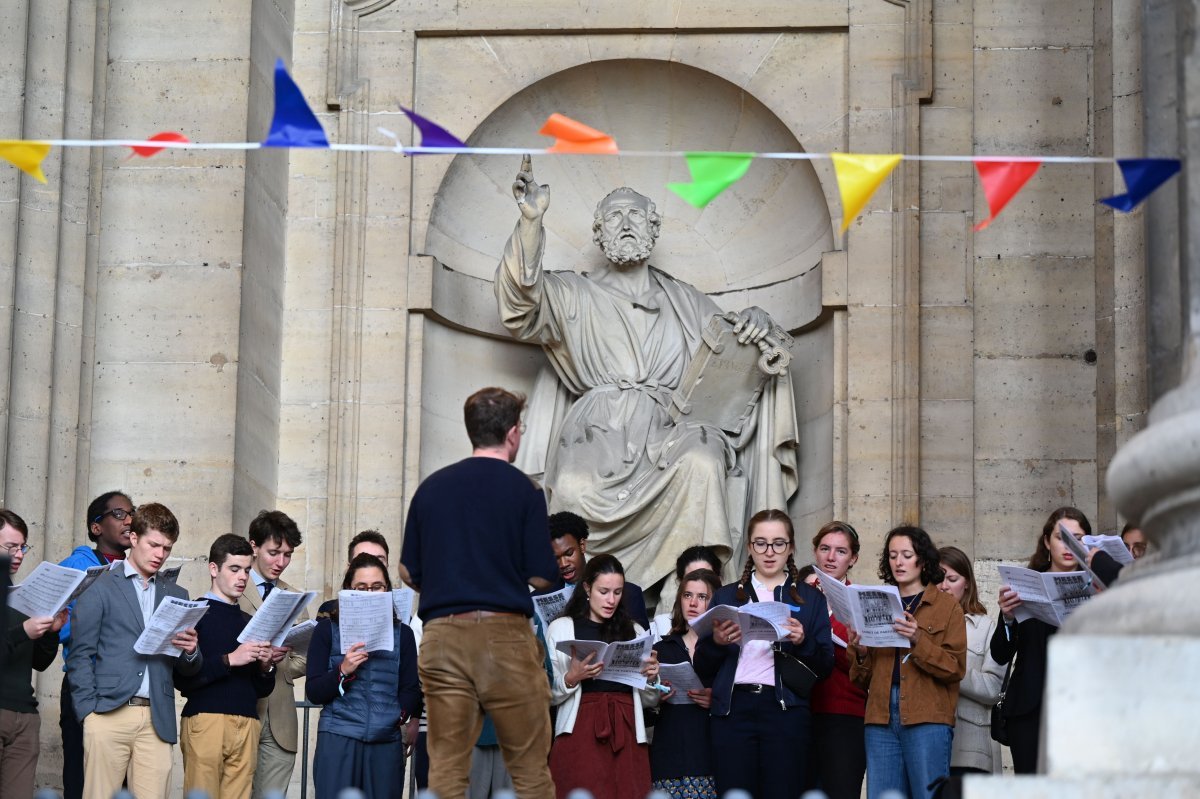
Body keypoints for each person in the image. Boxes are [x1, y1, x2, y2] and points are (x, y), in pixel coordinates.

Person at [497, 156, 800, 597]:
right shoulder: (572, 292)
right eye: (614, 215)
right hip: (599, 426)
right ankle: (585, 600)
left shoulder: (686, 301)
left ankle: (689, 592)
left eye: (635, 214)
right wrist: (530, 224)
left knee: (703, 461)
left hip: (669, 426)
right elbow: (519, 305)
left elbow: (735, 347)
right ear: (599, 233)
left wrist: (756, 320)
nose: (625, 223)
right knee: (574, 487)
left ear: (653, 228)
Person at [399, 386, 560, 799]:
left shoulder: (431, 488)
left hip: (442, 635)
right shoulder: (525, 490)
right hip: (504, 635)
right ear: (512, 433)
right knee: (529, 769)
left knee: (448, 770)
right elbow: (544, 576)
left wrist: (448, 583)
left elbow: (405, 570)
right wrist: (502, 576)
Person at [693, 509, 834, 799]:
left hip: (785, 711)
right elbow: (702, 666)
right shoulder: (726, 596)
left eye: (778, 543)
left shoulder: (810, 599)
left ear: (791, 547)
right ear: (749, 547)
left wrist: (803, 640)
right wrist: (718, 641)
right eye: (761, 543)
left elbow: (826, 666)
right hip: (733, 711)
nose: (769, 552)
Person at [67, 502, 202, 799]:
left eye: (167, 548)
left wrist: (191, 650)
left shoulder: (178, 594)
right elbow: (80, 654)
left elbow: (188, 668)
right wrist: (88, 713)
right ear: (133, 538)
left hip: (157, 717)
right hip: (106, 714)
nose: (160, 555)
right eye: (154, 545)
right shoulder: (99, 586)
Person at [847, 525, 966, 799]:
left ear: (922, 560)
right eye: (892, 555)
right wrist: (862, 651)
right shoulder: (877, 601)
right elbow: (861, 679)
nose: (898, 562)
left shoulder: (946, 606)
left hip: (928, 715)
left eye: (906, 554)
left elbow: (954, 668)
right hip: (880, 716)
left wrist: (918, 640)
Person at [546, 554, 661, 799]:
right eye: (604, 591)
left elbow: (649, 701)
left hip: (627, 729)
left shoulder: (636, 630)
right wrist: (571, 678)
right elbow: (546, 695)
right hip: (579, 730)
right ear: (587, 587)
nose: (611, 600)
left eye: (618, 592)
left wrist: (651, 679)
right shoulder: (562, 627)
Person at [307, 554, 421, 798]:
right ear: (349, 590)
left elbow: (411, 689)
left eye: (377, 587)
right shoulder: (327, 630)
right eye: (362, 588)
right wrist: (342, 671)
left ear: (387, 590)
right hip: (339, 737)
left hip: (385, 742)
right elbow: (314, 691)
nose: (370, 594)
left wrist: (397, 716)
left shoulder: (405, 634)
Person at [990, 506, 1090, 774]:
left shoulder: (1097, 587)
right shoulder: (1024, 584)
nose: (1069, 545)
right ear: (1047, 541)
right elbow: (1000, 654)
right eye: (1061, 537)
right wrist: (1008, 617)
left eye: (1078, 538)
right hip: (1029, 710)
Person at [176, 534, 276, 798]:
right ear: (213, 569)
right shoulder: (194, 612)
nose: (242, 577)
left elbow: (260, 688)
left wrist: (266, 667)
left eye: (246, 570)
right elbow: (182, 680)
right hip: (206, 718)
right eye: (234, 569)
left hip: (248, 721)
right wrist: (230, 659)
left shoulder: (250, 620)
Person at [58, 490, 134, 799]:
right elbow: (59, 623)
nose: (129, 520)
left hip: (126, 686)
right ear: (96, 527)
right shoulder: (77, 564)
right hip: (85, 683)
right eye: (119, 514)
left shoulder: (136, 570)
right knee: (83, 779)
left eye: (132, 513)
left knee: (124, 786)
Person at [239, 510, 307, 799]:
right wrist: (256, 659)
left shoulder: (295, 595)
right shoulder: (234, 586)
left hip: (280, 717)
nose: (281, 562)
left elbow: (304, 657)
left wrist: (278, 663)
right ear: (253, 546)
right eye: (274, 552)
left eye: (287, 555)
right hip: (240, 708)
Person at [0, 509, 67, 799]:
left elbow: (39, 662)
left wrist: (52, 631)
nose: (18, 554)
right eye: (10, 546)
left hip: (25, 716)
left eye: (22, 547)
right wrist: (21, 632)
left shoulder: (20, 596)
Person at [806, 521, 868, 799]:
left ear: (853, 558)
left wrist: (823, 622)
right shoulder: (797, 594)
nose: (831, 558)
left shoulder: (862, 601)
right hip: (799, 711)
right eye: (825, 549)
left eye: (840, 551)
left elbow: (863, 664)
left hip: (845, 715)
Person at [650, 568, 720, 799]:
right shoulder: (661, 649)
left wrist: (716, 699)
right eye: (687, 595)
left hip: (711, 751)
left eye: (702, 597)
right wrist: (655, 694)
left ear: (714, 602)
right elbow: (645, 704)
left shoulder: (725, 648)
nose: (693, 603)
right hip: (670, 749)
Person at [937, 546, 1004, 775]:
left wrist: (949, 667)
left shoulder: (986, 627)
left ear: (967, 583)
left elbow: (995, 688)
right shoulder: (918, 625)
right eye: (938, 578)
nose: (944, 586)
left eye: (952, 579)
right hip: (927, 744)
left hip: (970, 748)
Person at [547, 510, 649, 626]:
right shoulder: (539, 598)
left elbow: (643, 642)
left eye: (569, 553)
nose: (563, 564)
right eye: (555, 558)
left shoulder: (630, 595)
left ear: (582, 546)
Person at [316, 530, 391, 620]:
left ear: (387, 565)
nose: (371, 566)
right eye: (361, 560)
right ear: (349, 568)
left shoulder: (401, 617)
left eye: (379, 560)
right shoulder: (327, 612)